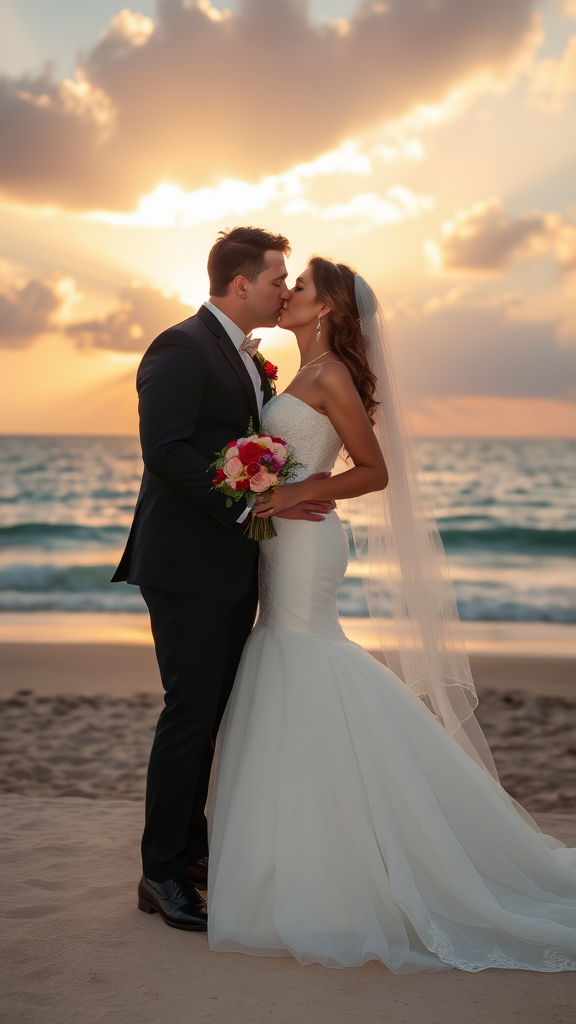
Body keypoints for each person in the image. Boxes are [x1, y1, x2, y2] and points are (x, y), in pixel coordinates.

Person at [206, 257, 576, 971]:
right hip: (284, 537)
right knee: (287, 658)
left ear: (329, 310)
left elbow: (375, 470)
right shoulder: (297, 372)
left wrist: (291, 492)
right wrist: (265, 486)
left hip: (307, 540)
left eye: (301, 288)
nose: (288, 295)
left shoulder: (332, 375)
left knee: (305, 656)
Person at [112, 228, 335, 931]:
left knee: (213, 713)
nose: (284, 290)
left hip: (234, 562)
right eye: (277, 279)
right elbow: (166, 451)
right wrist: (248, 500)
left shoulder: (247, 358)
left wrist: (279, 491)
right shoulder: (181, 346)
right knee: (189, 714)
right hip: (184, 564)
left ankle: (195, 851)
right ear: (240, 285)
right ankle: (160, 873)